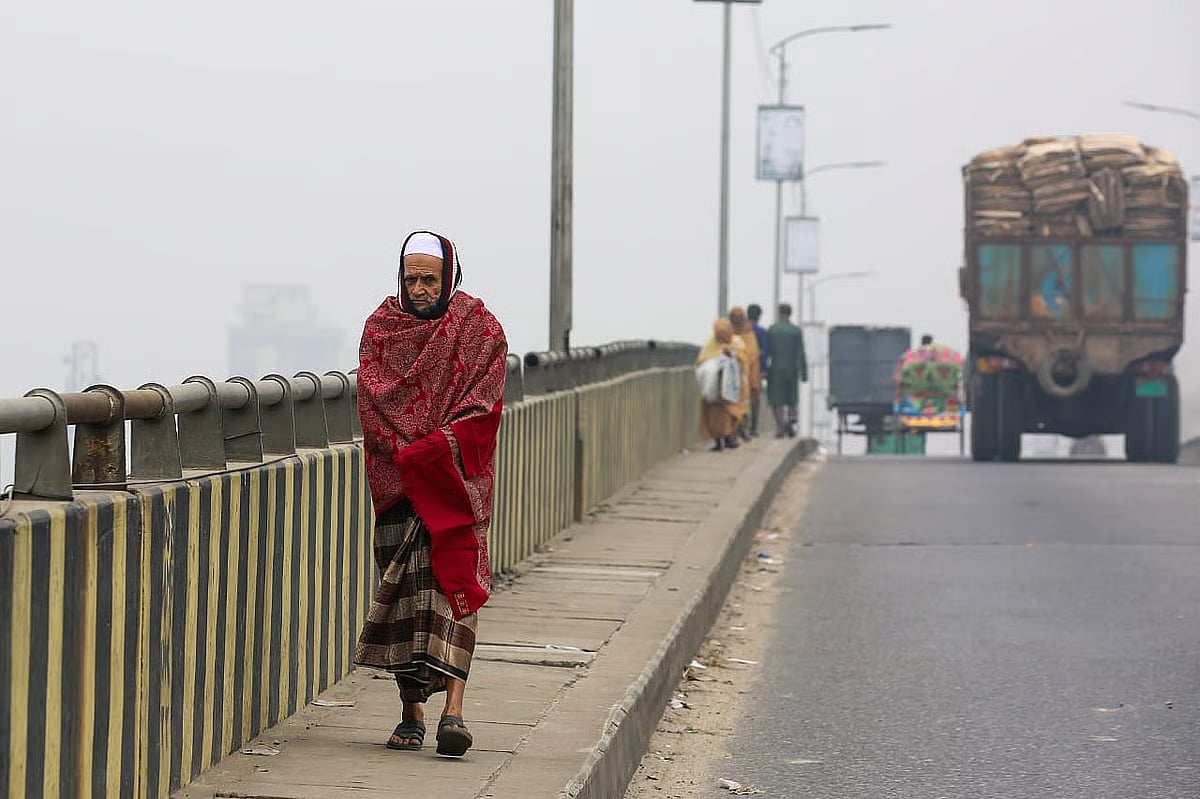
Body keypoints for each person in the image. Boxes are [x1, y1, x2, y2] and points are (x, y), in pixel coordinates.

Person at [355, 230, 508, 758]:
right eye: (411, 278)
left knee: (453, 587)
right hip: (397, 484)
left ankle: (454, 713)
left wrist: (434, 451)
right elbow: (372, 405)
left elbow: (484, 406)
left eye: (430, 279)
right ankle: (411, 713)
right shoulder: (380, 331)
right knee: (402, 599)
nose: (419, 288)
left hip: (457, 487)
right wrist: (409, 457)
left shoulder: (479, 329)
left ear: (450, 278)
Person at [696, 319, 748, 451]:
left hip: (731, 387)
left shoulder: (736, 342)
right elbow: (702, 361)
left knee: (731, 413)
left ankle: (729, 437)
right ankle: (718, 441)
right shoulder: (710, 344)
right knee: (713, 417)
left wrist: (731, 354)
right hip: (714, 388)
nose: (722, 337)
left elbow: (743, 358)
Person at [766, 303, 807, 438]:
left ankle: (780, 426)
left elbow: (767, 352)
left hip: (776, 369)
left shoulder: (772, 330)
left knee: (777, 400)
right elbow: (801, 353)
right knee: (791, 399)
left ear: (779, 313)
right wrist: (804, 373)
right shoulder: (796, 331)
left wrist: (763, 369)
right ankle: (791, 419)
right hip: (792, 370)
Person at [728, 306, 761, 441]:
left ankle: (741, 430)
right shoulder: (728, 333)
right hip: (735, 376)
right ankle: (737, 431)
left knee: (742, 405)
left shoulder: (747, 334)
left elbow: (752, 357)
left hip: (744, 376)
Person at [745, 304, 770, 436]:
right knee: (755, 399)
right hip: (756, 371)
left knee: (741, 399)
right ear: (759, 316)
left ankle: (740, 427)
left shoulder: (741, 331)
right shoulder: (761, 332)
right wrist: (764, 370)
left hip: (741, 370)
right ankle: (753, 428)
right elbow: (765, 352)